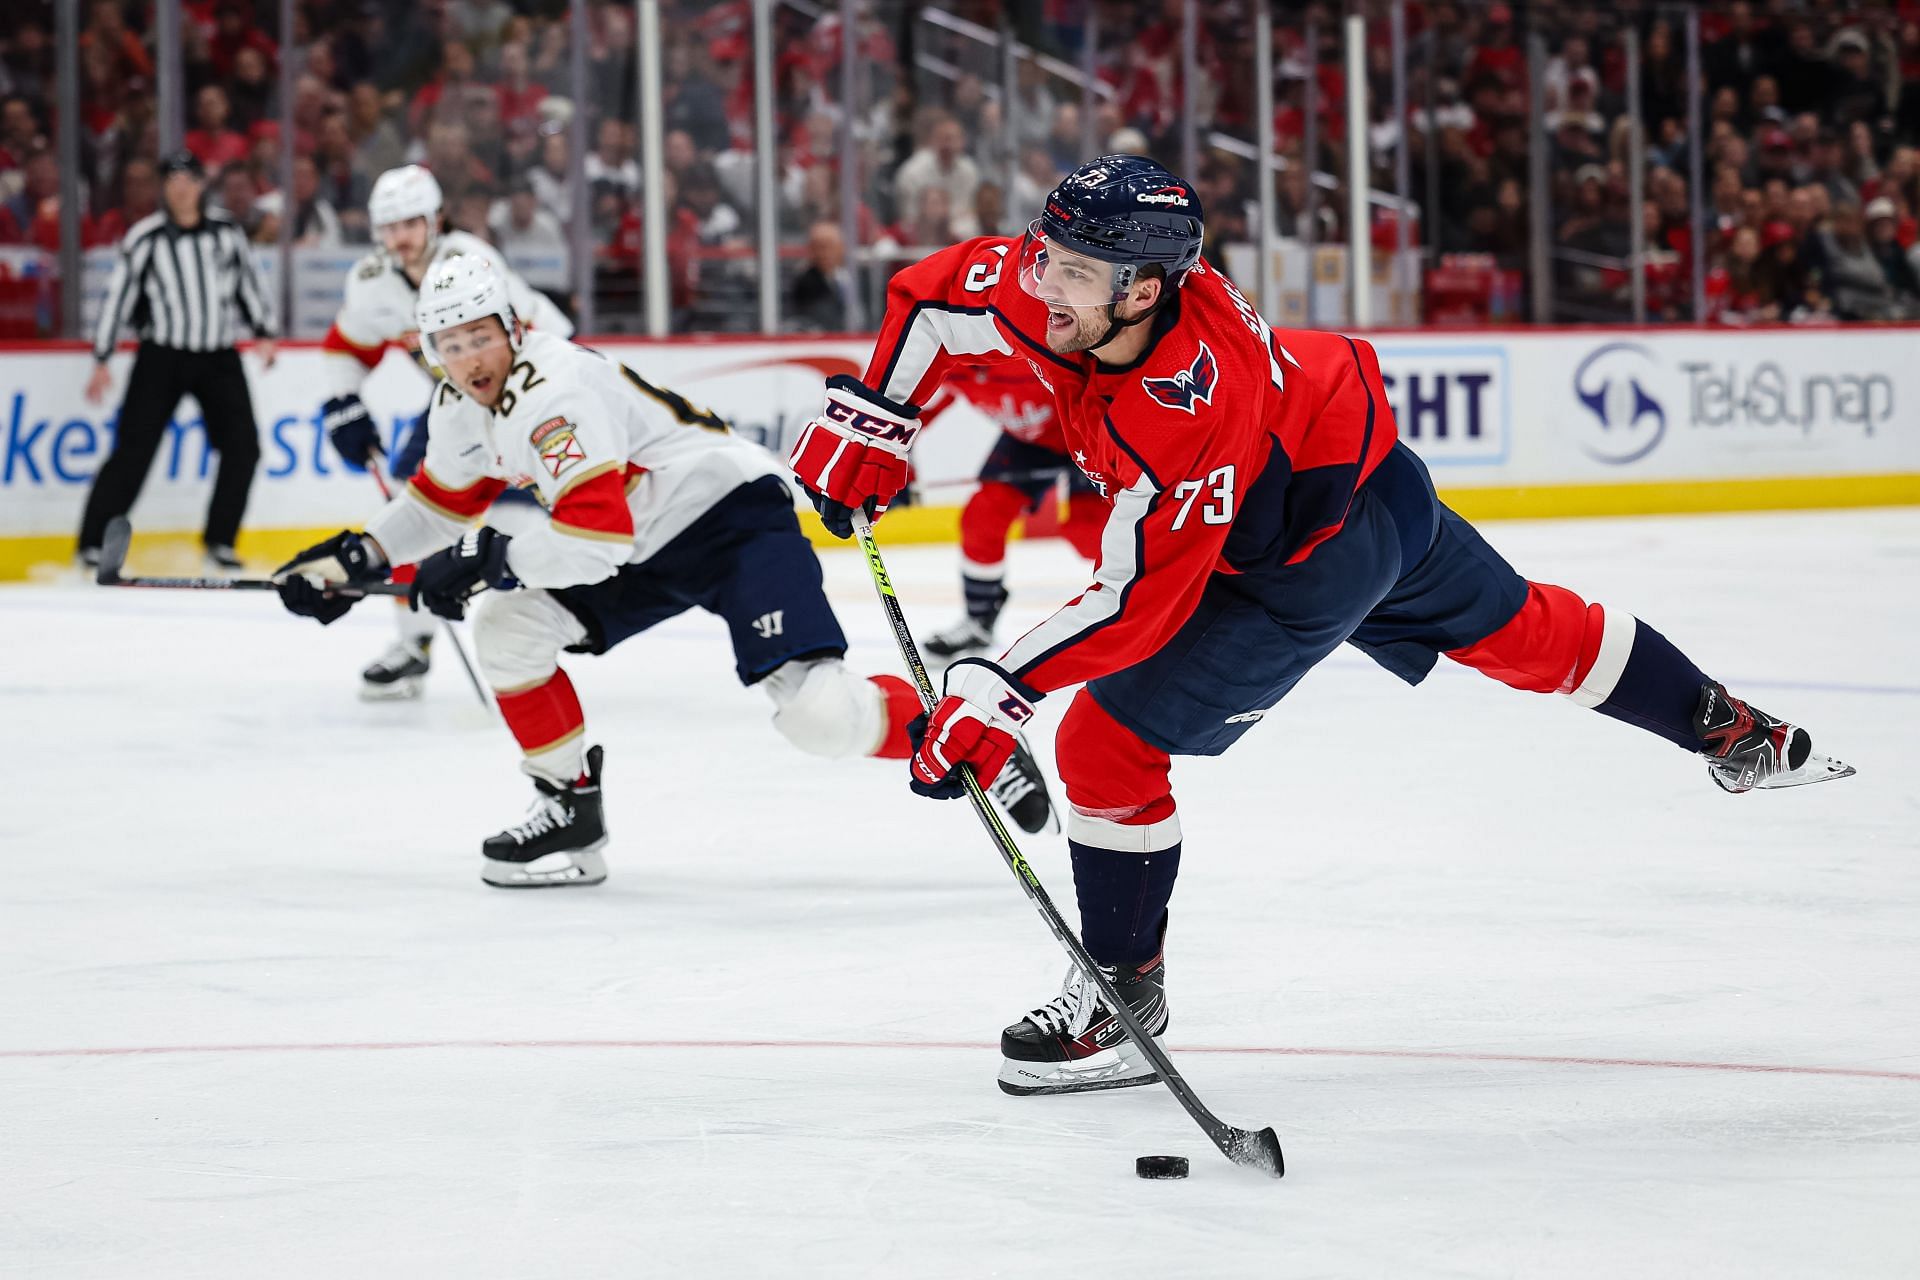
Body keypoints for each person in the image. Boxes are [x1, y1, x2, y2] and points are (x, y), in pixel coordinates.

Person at [789, 154, 1856, 1097]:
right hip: (1375, 480)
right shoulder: (1072, 287)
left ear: (1146, 289)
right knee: (1526, 630)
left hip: (1297, 558)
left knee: (1103, 740)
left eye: (1070, 273)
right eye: (1043, 255)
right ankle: (1725, 726)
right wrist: (878, 412)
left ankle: (1123, 993)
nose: (1041, 285)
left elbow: (1141, 597)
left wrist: (1001, 683)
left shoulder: (1187, 400)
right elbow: (931, 296)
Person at [274, 257, 1053, 887]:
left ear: (511, 327)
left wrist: (490, 557)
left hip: (728, 516)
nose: (467, 356)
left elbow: (594, 537)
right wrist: (354, 558)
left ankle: (964, 735)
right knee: (510, 626)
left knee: (815, 718)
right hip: (638, 543)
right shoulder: (459, 406)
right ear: (428, 354)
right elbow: (437, 504)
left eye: (479, 335)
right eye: (448, 344)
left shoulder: (556, 394)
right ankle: (568, 805)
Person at [319, 163, 574, 700]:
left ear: (435, 219)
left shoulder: (472, 262)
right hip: (460, 400)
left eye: (408, 224)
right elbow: (347, 347)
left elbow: (540, 339)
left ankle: (531, 638)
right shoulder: (372, 282)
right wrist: (343, 401)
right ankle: (413, 644)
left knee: (513, 521)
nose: (398, 238)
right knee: (409, 506)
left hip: (533, 391)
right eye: (387, 227)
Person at [78, 149, 277, 571]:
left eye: (187, 179)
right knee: (133, 450)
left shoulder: (226, 231)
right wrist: (102, 356)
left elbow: (248, 282)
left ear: (201, 183)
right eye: (172, 180)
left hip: (218, 354)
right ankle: (92, 543)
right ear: (164, 188)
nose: (180, 188)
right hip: (162, 355)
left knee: (244, 447)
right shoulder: (146, 237)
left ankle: (220, 540)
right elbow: (119, 297)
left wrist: (263, 331)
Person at [916, 364, 1105, 662]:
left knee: (1091, 536)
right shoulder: (949, 365)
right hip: (1029, 443)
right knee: (983, 514)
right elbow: (911, 413)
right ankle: (979, 621)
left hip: (1089, 432)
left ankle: (1144, 609)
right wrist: (897, 461)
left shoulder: (1025, 354)